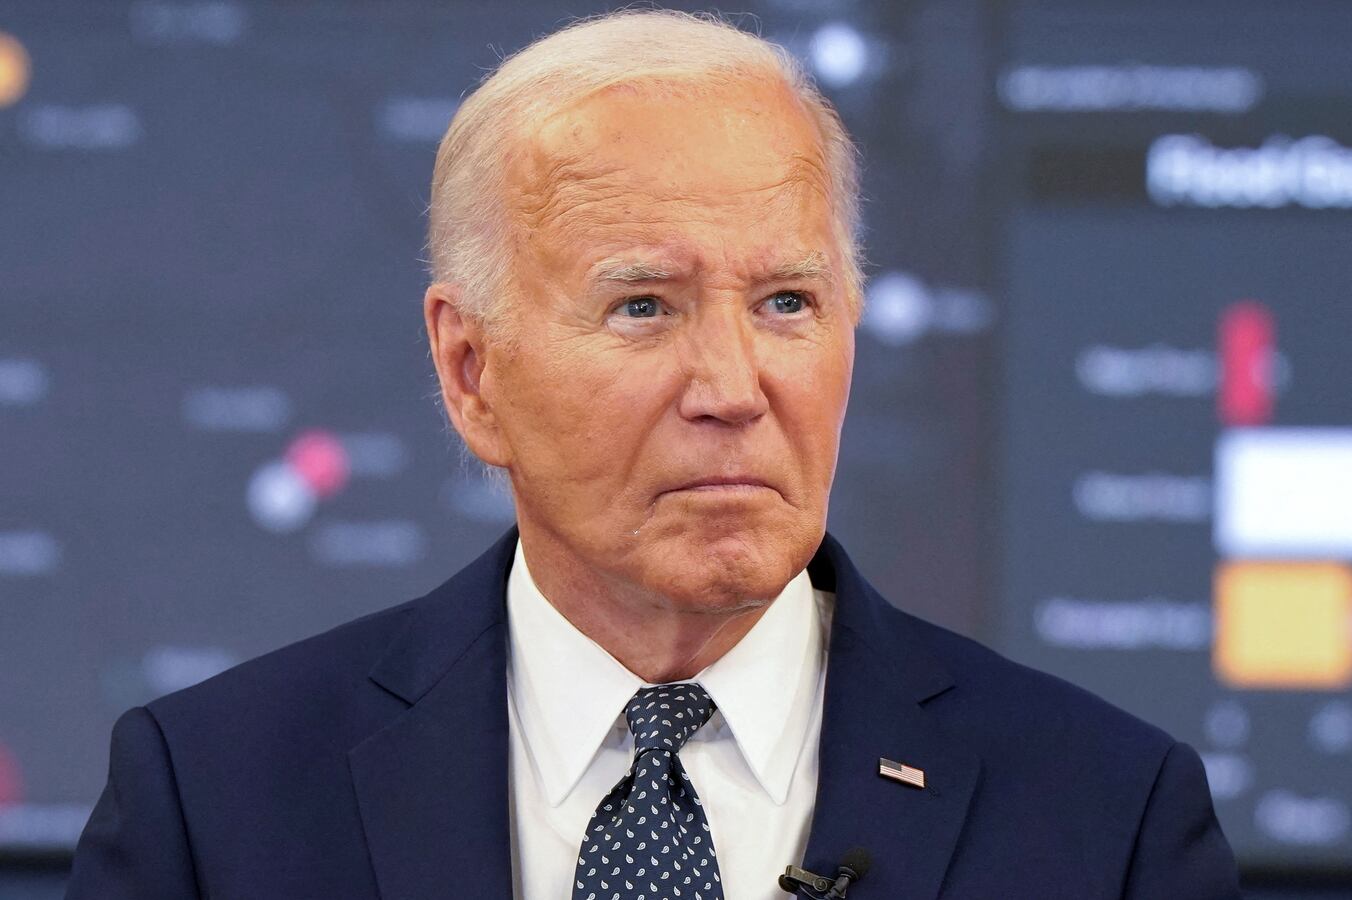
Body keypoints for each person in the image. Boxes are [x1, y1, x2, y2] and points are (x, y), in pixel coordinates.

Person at [65, 9, 1240, 899]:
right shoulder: (211, 806)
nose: (733, 389)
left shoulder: (1107, 817)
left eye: (786, 302)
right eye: (642, 307)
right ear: (471, 373)